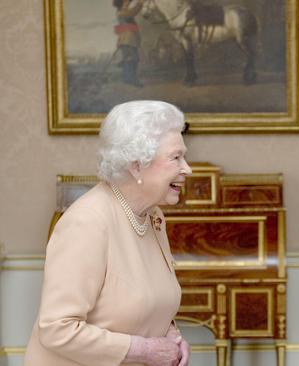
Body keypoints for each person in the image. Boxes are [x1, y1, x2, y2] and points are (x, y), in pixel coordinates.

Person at [25, 100, 192, 366]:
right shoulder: (87, 223)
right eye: (176, 157)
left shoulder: (152, 216)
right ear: (137, 165)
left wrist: (172, 338)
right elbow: (56, 328)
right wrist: (145, 350)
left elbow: (148, 301)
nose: (187, 168)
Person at [113, 0, 145, 87]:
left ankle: (127, 79)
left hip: (127, 39)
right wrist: (140, 3)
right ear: (122, 3)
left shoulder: (122, 11)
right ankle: (132, 80)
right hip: (128, 39)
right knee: (133, 59)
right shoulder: (123, 12)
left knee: (129, 59)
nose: (128, 2)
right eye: (126, 1)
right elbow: (133, 12)